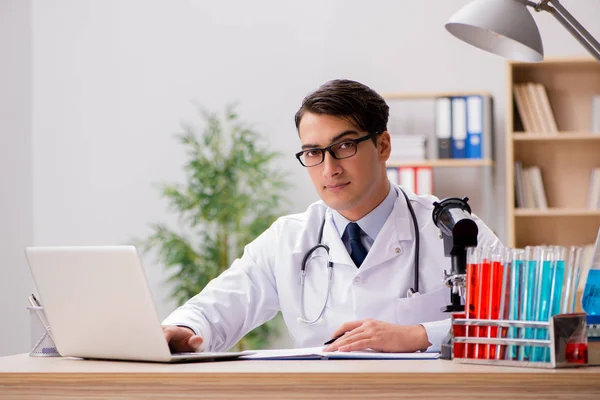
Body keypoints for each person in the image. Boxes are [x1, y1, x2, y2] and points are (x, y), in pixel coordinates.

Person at [162, 79, 500, 354]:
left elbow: (518, 316)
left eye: (344, 146)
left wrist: (421, 334)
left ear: (383, 146)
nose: (329, 168)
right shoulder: (289, 238)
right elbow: (216, 307)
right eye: (313, 152)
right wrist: (185, 328)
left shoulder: (453, 229)